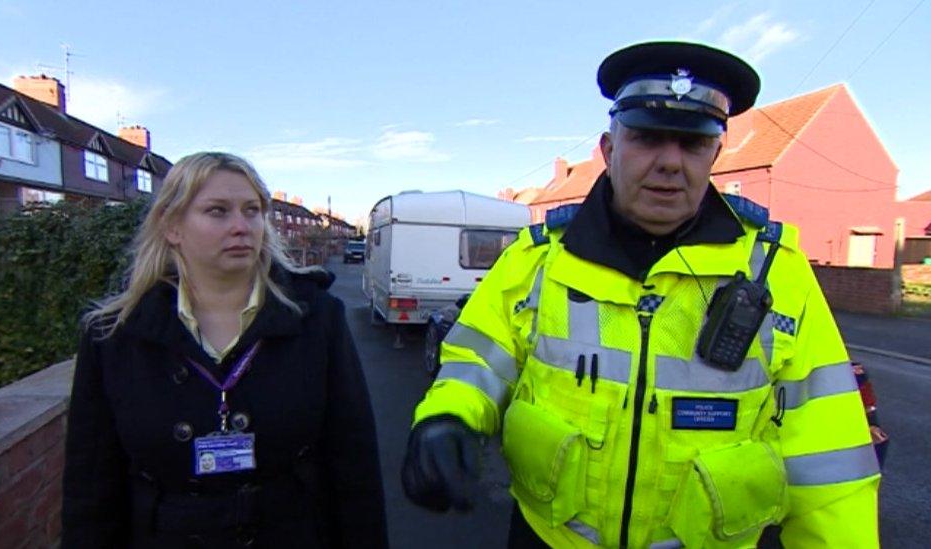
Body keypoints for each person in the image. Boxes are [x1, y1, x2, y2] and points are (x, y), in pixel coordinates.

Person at [401, 41, 880, 548]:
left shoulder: (776, 273)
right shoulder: (537, 260)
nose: (670, 163)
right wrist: (445, 416)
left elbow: (831, 467)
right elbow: (476, 362)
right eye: (649, 138)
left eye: (691, 144)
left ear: (715, 154)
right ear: (610, 151)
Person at [62, 152, 388, 548]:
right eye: (217, 211)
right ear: (171, 227)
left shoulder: (317, 317)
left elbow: (354, 465)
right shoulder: (114, 333)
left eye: (252, 211)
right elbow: (91, 486)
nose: (242, 227)